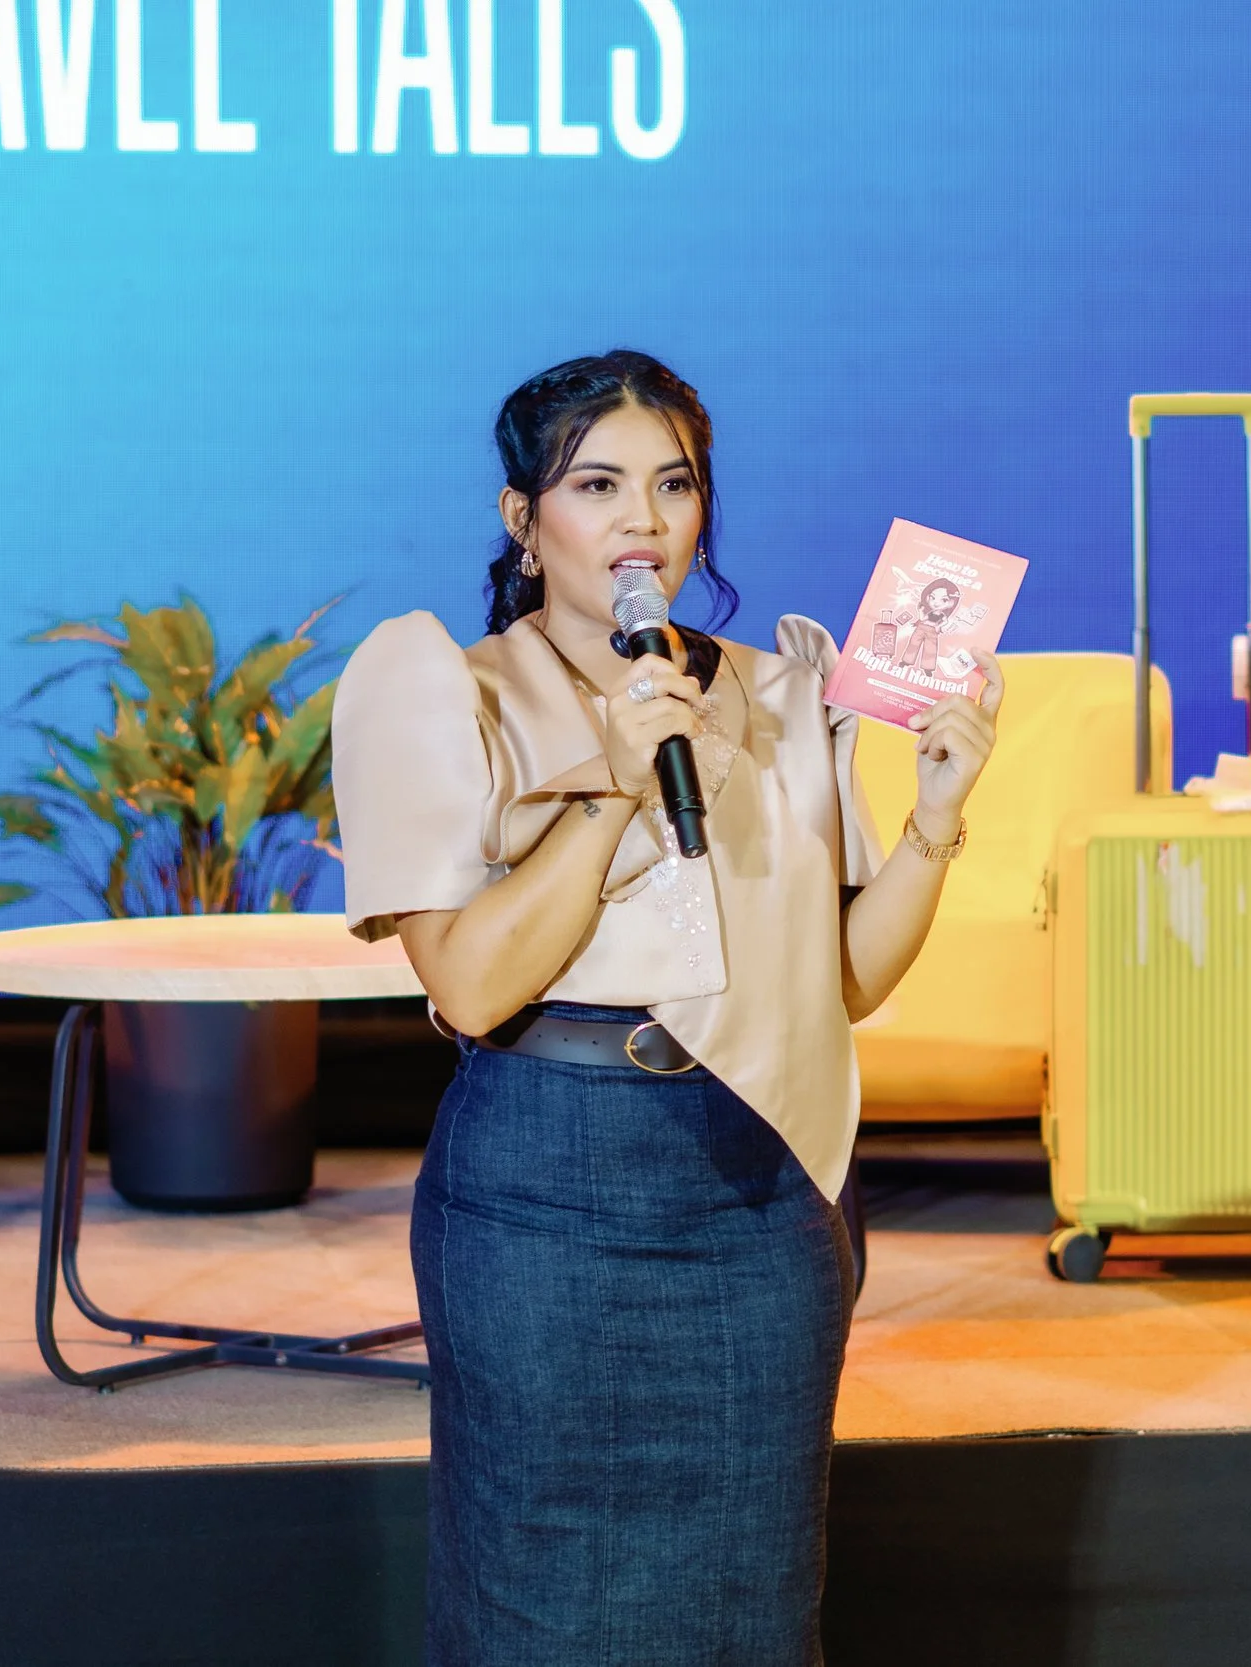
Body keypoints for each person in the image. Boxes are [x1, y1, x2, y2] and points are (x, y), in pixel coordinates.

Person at [331, 349, 1004, 1665]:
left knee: (752, 1598)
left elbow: (844, 979)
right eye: (596, 483)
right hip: (545, 1177)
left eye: (673, 483)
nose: (642, 520)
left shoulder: (777, 689)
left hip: (758, 1182)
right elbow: (469, 980)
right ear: (525, 520)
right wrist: (616, 786)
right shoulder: (444, 688)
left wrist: (934, 818)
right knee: (537, 1598)